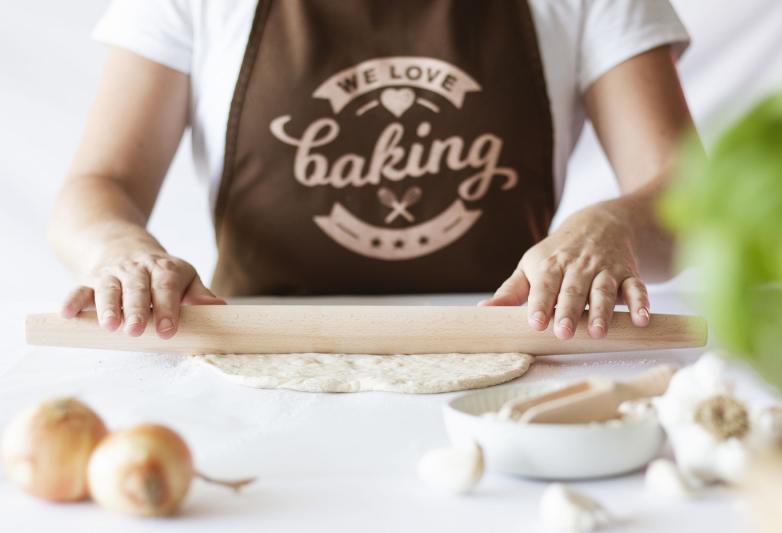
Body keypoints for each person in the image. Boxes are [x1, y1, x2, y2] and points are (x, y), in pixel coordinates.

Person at [50, 0, 695, 342]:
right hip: (251, 350)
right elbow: (100, 183)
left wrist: (612, 223)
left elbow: (691, 198)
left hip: (516, 352)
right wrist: (118, 248)